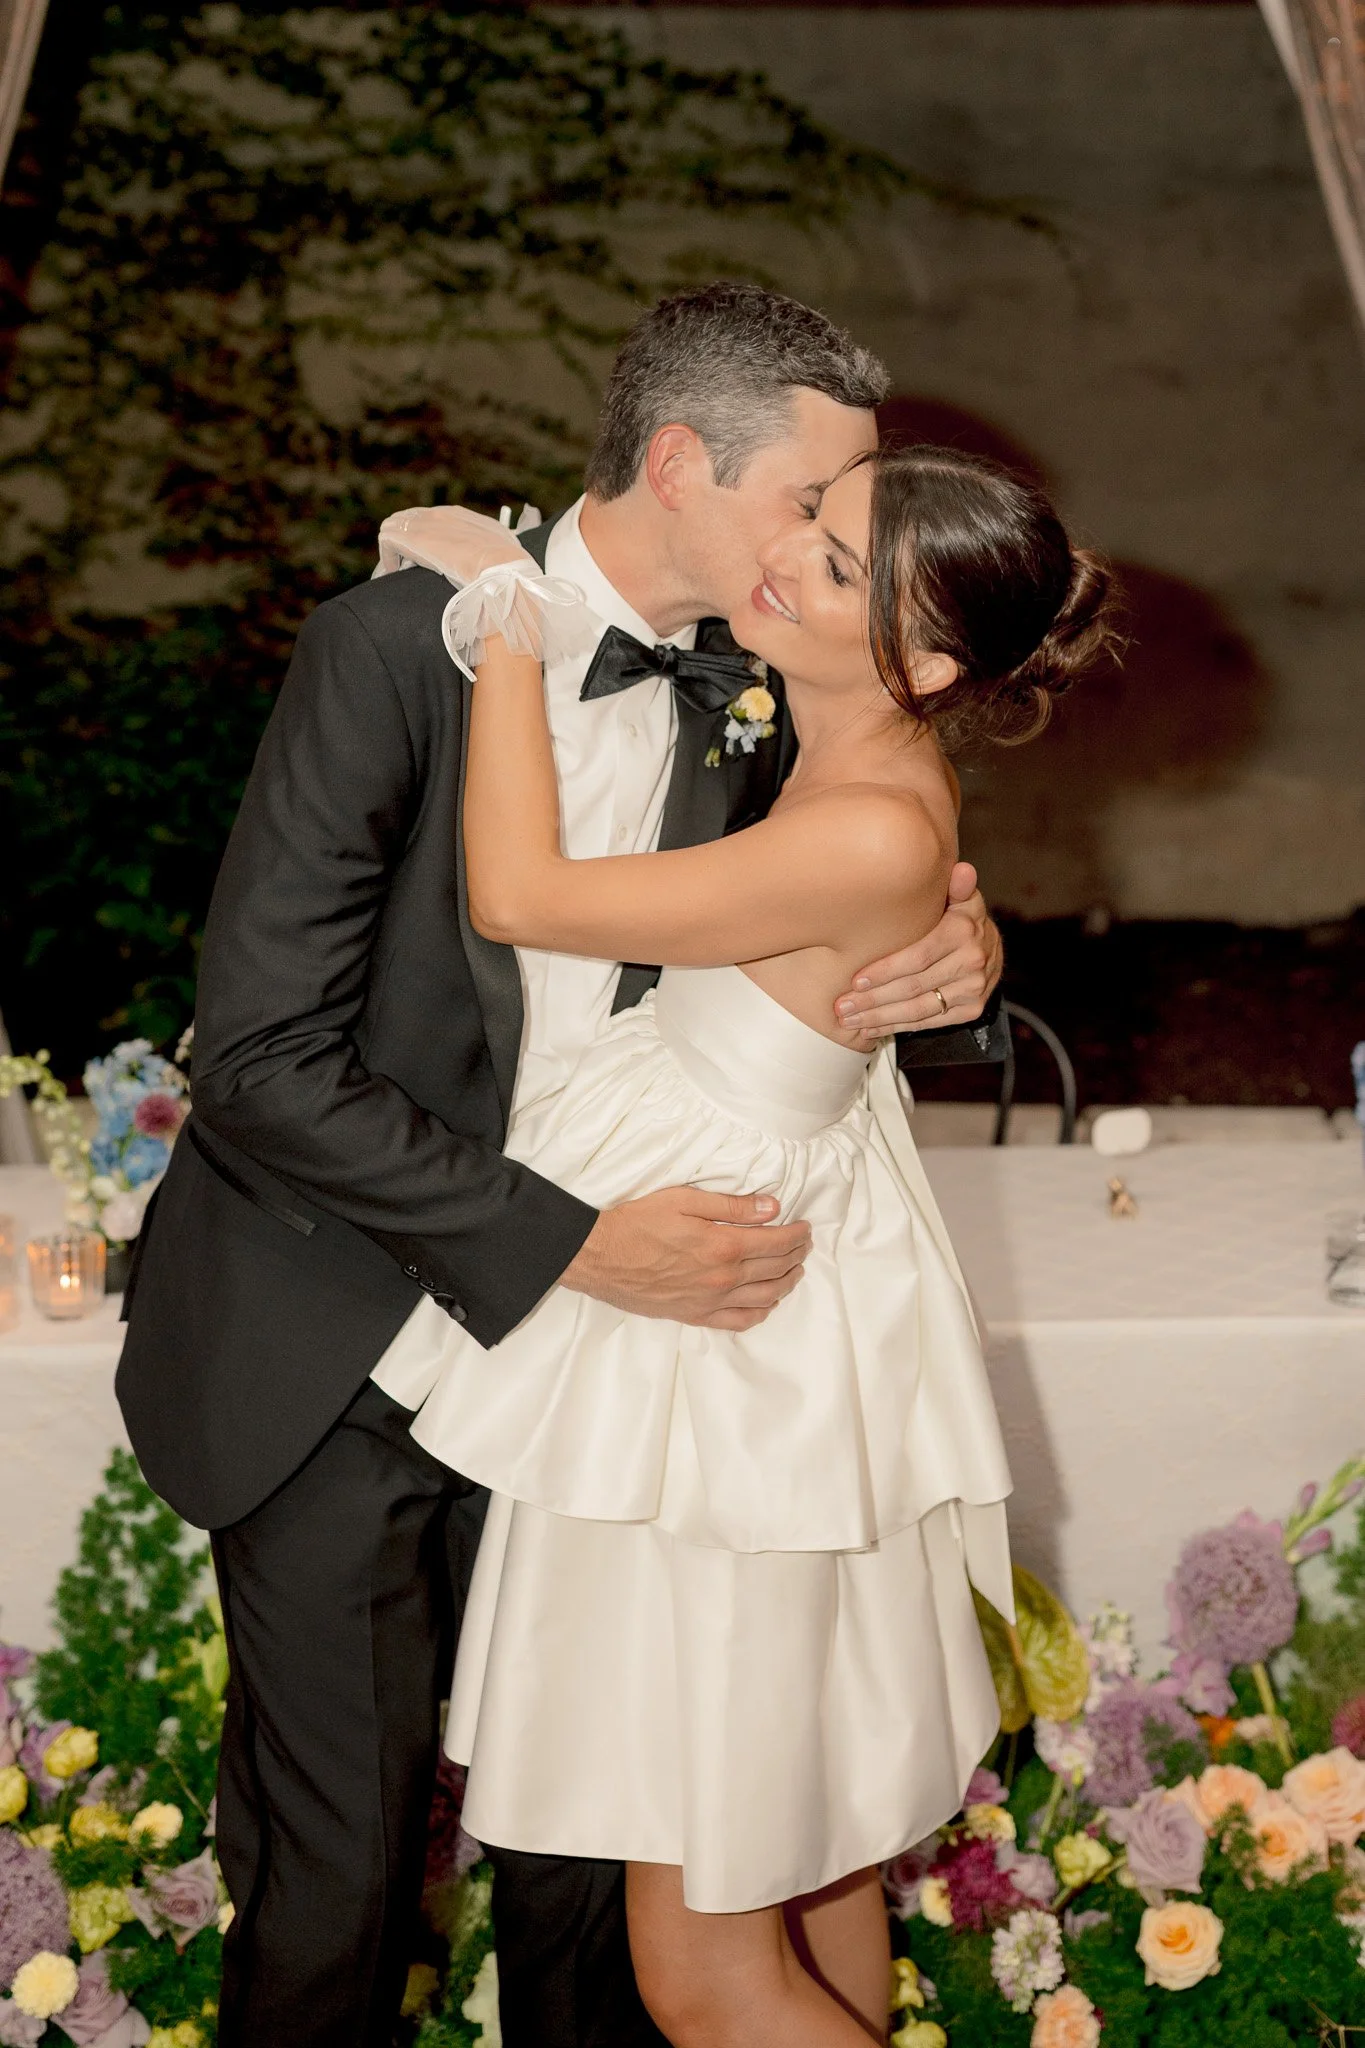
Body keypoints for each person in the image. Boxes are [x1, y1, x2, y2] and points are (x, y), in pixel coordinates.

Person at [114, 283, 1005, 2048]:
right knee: (342, 1877)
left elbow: (853, 861)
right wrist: (571, 1242)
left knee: (595, 1887)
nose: (830, 543)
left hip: (620, 1381)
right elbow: (265, 1062)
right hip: (348, 1344)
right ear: (683, 463)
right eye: (813, 505)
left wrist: (964, 942)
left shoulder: (770, 671)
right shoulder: (398, 647)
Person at [379, 439, 1117, 2048]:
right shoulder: (849, 755)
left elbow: (518, 891)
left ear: (924, 660)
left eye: (841, 572)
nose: (786, 565)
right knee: (811, 1867)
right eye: (812, 526)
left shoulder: (870, 825)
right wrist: (964, 941)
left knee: (704, 1965)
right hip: (754, 1307)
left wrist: (504, 609)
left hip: (720, 1368)